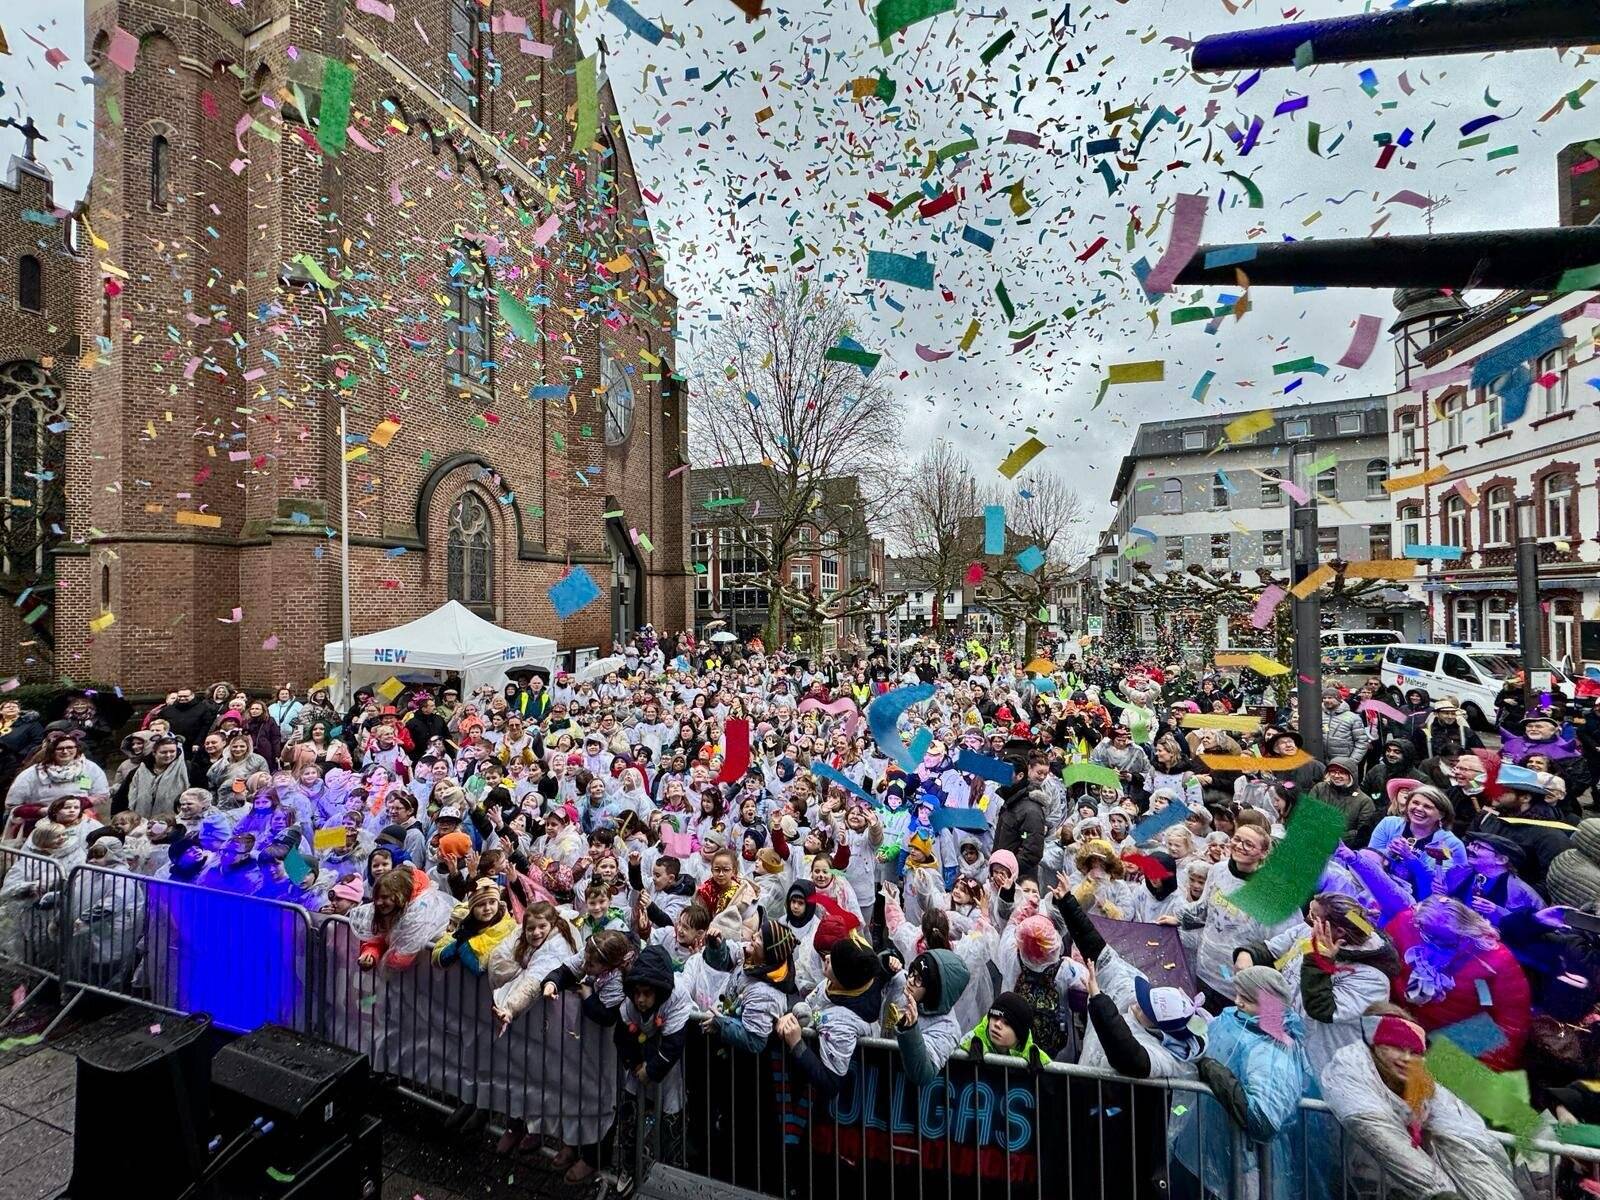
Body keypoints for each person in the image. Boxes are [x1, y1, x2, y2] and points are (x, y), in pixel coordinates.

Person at [1320, 1006, 1521, 1200]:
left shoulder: (1425, 1082)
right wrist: (1441, 1193)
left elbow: (1467, 1137)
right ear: (1375, 1044)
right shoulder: (1351, 1066)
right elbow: (1378, 1131)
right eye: (1396, 1047)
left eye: (1414, 1052)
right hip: (1366, 1179)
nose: (1406, 1058)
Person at [1178, 966, 1314, 1200]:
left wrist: (1214, 1072)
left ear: (1270, 1005)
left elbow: (1263, 1119)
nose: (1238, 1003)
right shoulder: (1235, 1019)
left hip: (1249, 1164)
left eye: (1248, 1000)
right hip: (1209, 1146)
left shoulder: (1275, 1051)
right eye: (1238, 994)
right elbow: (1217, 1038)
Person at [894, 948, 971, 1085]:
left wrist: (911, 1030)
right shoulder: (904, 986)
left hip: (905, 1098)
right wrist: (886, 960)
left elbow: (923, 1073)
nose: (910, 980)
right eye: (912, 972)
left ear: (933, 990)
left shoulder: (948, 1028)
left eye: (919, 980)